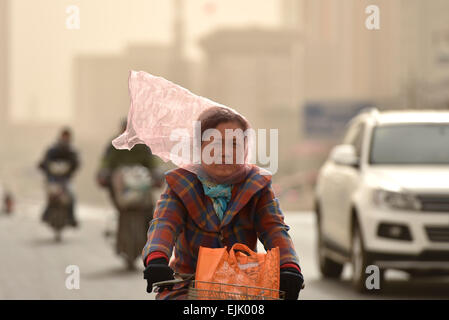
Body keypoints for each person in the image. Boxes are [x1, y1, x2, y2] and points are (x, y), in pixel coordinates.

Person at [141, 107, 304, 300]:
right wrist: (157, 259)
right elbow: (164, 223)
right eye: (215, 145)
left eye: (234, 144)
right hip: (186, 284)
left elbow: (274, 230)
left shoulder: (257, 185)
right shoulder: (181, 184)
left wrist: (289, 267)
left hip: (244, 287)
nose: (225, 153)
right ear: (199, 148)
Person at [38, 127, 80, 227]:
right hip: (53, 180)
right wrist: (44, 166)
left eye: (67, 136)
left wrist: (71, 170)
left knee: (71, 197)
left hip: (66, 180)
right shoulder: (53, 149)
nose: (65, 138)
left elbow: (76, 164)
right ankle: (46, 214)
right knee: (50, 196)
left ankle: (71, 217)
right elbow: (44, 161)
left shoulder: (71, 151)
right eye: (64, 136)